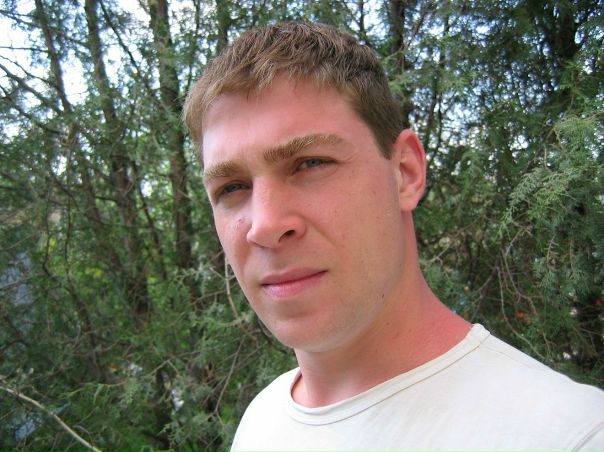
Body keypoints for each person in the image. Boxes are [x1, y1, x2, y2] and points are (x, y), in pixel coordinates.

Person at [183, 22, 604, 452]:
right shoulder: (262, 422)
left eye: (310, 163)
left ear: (405, 172)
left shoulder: (572, 436)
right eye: (232, 188)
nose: (265, 225)